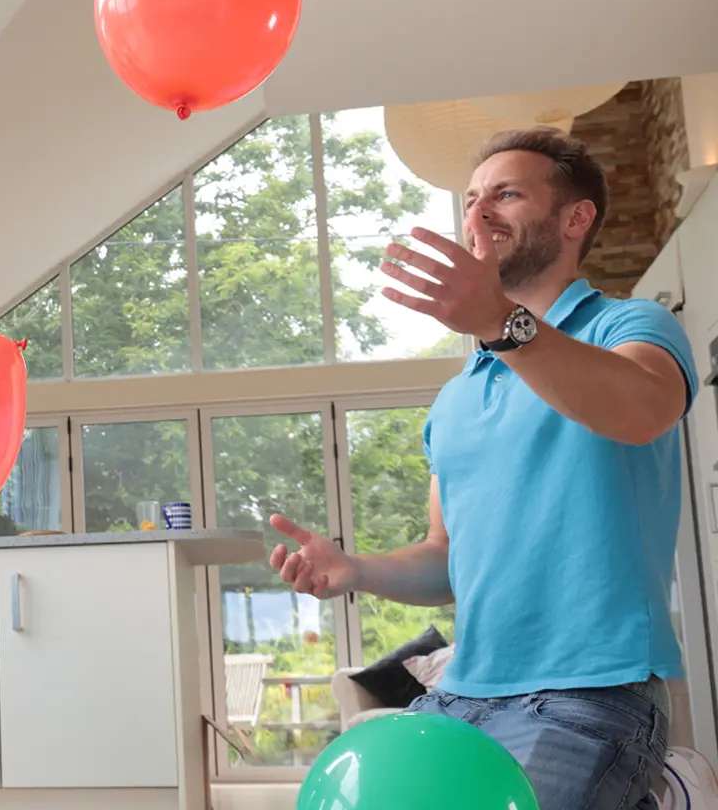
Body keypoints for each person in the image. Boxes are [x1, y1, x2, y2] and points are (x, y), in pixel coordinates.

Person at [268, 127, 697, 810]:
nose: (477, 213)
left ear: (574, 219)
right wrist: (358, 569)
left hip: (592, 693)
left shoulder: (630, 326)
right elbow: (446, 559)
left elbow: (642, 409)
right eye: (470, 199)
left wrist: (503, 323)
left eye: (506, 194)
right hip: (463, 695)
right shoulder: (455, 398)